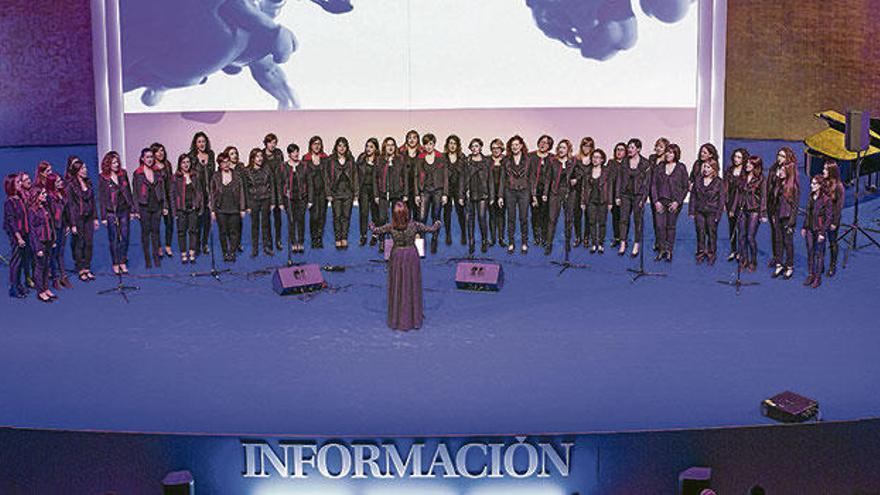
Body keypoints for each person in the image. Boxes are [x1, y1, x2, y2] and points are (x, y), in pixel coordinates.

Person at [369, 202, 441, 331]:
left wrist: (371, 225)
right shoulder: (414, 225)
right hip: (411, 256)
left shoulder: (390, 226)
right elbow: (431, 229)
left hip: (397, 256)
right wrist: (437, 224)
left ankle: (397, 319)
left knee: (398, 286)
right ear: (407, 212)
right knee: (411, 285)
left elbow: (376, 231)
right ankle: (413, 319)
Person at [98, 151, 135, 274]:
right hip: (111, 212)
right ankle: (115, 262)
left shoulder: (123, 174)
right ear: (108, 163)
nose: (116, 164)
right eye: (114, 162)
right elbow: (102, 198)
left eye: (117, 162)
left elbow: (128, 192)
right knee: (114, 238)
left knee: (125, 237)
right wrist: (103, 216)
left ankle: (123, 261)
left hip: (124, 210)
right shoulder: (103, 177)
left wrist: (133, 209)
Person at [651, 143, 689, 261]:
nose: (668, 154)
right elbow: (653, 185)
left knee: (670, 227)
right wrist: (656, 201)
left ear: (676, 154)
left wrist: (677, 202)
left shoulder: (681, 167)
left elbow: (685, 186)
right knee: (659, 226)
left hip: (674, 202)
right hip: (660, 201)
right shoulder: (659, 166)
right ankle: (662, 249)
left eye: (671, 152)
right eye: (667, 151)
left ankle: (669, 251)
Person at [132, 147, 168, 269]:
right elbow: (135, 193)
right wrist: (136, 210)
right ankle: (148, 259)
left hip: (156, 205)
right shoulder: (138, 173)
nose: (150, 159)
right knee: (145, 233)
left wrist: (165, 206)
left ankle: (156, 258)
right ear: (142, 159)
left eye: (151, 157)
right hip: (144, 207)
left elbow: (163, 191)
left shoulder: (158, 171)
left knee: (156, 232)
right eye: (147, 157)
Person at [65, 156, 98, 282]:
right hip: (78, 218)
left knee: (89, 243)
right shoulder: (70, 186)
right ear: (77, 171)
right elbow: (71, 207)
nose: (85, 170)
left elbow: (93, 201)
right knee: (80, 243)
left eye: (85, 168)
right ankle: (80, 269)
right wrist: (72, 224)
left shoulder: (88, 182)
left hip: (88, 217)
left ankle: (87, 267)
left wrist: (95, 217)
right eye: (83, 168)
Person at [616, 138, 651, 257]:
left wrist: (643, 199)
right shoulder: (624, 162)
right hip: (625, 195)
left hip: (638, 195)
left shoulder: (645, 163)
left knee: (638, 220)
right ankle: (622, 243)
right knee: (624, 219)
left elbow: (647, 184)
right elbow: (619, 180)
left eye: (632, 147)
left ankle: (636, 244)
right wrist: (617, 196)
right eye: (628, 147)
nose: (629, 150)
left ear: (638, 149)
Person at [542, 139, 578, 255]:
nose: (561, 150)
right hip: (555, 192)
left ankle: (568, 243)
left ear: (568, 150)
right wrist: (545, 193)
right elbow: (548, 178)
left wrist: (576, 179)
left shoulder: (573, 161)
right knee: (552, 219)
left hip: (569, 192)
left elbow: (579, 174)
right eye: (560, 147)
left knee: (569, 220)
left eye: (564, 148)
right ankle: (549, 245)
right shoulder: (553, 161)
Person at [373, 137, 408, 253]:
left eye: (392, 144)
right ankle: (382, 242)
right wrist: (376, 194)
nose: (390, 147)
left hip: (397, 194)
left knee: (396, 219)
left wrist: (405, 193)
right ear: (384, 147)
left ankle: (395, 243)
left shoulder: (400, 159)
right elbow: (375, 178)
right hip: (383, 194)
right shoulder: (379, 160)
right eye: (388, 145)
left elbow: (405, 177)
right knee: (382, 218)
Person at [415, 134, 448, 254]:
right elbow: (416, 176)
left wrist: (445, 194)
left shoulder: (441, 157)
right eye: (426, 144)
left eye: (430, 144)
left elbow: (445, 177)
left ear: (434, 144)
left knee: (436, 217)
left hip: (438, 191)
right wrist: (417, 194)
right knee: (422, 218)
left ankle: (434, 240)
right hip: (424, 191)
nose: (428, 146)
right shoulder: (420, 158)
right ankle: (420, 245)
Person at [211, 151, 247, 261]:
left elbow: (241, 192)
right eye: (223, 162)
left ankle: (232, 252)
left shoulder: (237, 176)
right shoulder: (215, 177)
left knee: (234, 232)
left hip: (234, 208)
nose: (226, 164)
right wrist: (212, 210)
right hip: (221, 209)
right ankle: (225, 253)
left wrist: (242, 208)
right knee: (223, 232)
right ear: (219, 164)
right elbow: (212, 194)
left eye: (227, 162)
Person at [689, 158, 725, 265]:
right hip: (699, 211)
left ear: (714, 169)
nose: (705, 169)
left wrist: (718, 215)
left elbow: (721, 200)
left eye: (708, 167)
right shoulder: (698, 180)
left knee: (711, 233)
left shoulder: (719, 182)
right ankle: (700, 253)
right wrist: (691, 211)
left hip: (712, 211)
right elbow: (693, 197)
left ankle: (711, 254)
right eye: (704, 166)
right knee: (700, 232)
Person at [499, 135, 531, 254]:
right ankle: (511, 243)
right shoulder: (506, 160)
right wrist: (500, 196)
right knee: (511, 218)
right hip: (510, 191)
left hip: (524, 191)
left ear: (521, 146)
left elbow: (531, 178)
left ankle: (524, 243)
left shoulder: (528, 159)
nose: (514, 147)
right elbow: (503, 179)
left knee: (523, 218)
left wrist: (533, 195)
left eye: (517, 145)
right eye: (512, 145)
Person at [325, 136, 358, 249]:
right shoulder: (330, 160)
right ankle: (338, 238)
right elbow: (327, 178)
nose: (342, 148)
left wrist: (356, 193)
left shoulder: (351, 160)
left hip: (348, 192)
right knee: (337, 216)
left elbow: (355, 176)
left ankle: (344, 238)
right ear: (336, 147)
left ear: (347, 147)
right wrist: (328, 193)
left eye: (344, 145)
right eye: (339, 145)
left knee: (346, 216)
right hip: (336, 192)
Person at [770, 157, 799, 279]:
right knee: (778, 241)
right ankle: (779, 264)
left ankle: (789, 266)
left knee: (788, 243)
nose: (780, 172)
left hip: (787, 217)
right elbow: (774, 198)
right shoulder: (778, 183)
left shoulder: (793, 187)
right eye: (780, 170)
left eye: (782, 170)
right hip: (778, 214)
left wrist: (792, 222)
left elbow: (795, 206)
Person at [462, 138, 493, 254]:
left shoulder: (486, 161)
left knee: (482, 217)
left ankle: (484, 241)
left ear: (481, 147)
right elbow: (462, 178)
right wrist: (462, 194)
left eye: (477, 146)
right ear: (470, 148)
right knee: (470, 219)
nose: (475, 148)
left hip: (483, 193)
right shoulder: (467, 161)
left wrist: (492, 196)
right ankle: (471, 242)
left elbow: (490, 180)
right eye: (473, 146)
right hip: (470, 192)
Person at [170, 154, 203, 263]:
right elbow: (172, 195)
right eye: (183, 162)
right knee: (181, 232)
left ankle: (192, 253)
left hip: (193, 208)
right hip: (181, 209)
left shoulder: (195, 176)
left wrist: (198, 205)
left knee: (193, 231)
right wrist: (174, 211)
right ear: (179, 164)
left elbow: (200, 192)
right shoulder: (175, 177)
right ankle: (184, 254)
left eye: (188, 162)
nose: (186, 164)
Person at [802, 175, 832, 288]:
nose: (811, 185)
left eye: (814, 183)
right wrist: (804, 227)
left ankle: (818, 278)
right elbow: (808, 213)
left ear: (820, 185)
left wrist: (822, 233)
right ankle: (811, 274)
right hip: (810, 227)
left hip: (819, 230)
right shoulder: (811, 196)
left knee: (819, 254)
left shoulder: (826, 199)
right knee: (810, 251)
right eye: (811, 183)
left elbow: (829, 218)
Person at [736, 156, 765, 272]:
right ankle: (744, 260)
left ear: (755, 166)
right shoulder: (742, 177)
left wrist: (763, 213)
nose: (747, 165)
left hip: (754, 210)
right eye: (747, 163)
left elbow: (763, 197)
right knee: (741, 236)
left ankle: (753, 261)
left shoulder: (761, 179)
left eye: (750, 163)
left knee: (750, 237)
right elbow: (738, 194)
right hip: (742, 209)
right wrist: (735, 208)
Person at [583, 148, 614, 253]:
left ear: (602, 159)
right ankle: (594, 244)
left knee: (602, 223)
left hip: (603, 200)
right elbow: (584, 187)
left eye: (597, 157)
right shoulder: (587, 171)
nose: (595, 159)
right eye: (593, 157)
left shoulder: (606, 171)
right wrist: (583, 201)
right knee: (592, 222)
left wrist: (610, 202)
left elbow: (609, 187)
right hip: (591, 200)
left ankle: (600, 244)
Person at [188, 131, 215, 254]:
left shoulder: (211, 154)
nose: (201, 144)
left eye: (203, 141)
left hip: (208, 190)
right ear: (195, 143)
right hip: (197, 192)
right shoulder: (191, 156)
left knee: (207, 220)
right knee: (197, 220)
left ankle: (205, 244)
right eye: (199, 141)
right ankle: (196, 245)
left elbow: (213, 173)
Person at [28, 187, 57, 302]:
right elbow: (32, 231)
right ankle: (40, 291)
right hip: (39, 242)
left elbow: (51, 224)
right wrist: (37, 247)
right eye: (43, 194)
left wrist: (53, 239)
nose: (45, 195)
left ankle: (46, 287)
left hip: (48, 240)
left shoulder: (44, 208)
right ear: (36, 195)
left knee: (47, 266)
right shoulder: (31, 211)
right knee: (39, 267)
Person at [244, 147, 274, 257]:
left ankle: (267, 247)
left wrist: (272, 201)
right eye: (257, 156)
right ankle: (255, 249)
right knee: (254, 225)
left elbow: (272, 184)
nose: (260, 158)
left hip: (266, 198)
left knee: (266, 224)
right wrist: (247, 205)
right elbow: (245, 189)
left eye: (261, 156)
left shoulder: (267, 168)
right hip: (253, 200)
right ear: (252, 158)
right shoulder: (246, 171)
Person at [281, 143, 310, 253]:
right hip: (289, 198)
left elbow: (309, 182)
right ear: (289, 154)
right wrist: (282, 198)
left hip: (302, 197)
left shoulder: (304, 165)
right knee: (291, 220)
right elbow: (280, 183)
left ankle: (301, 242)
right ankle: (293, 242)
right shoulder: (283, 166)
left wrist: (310, 199)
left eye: (297, 151)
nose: (296, 154)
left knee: (301, 220)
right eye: (293, 152)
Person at [45, 172, 73, 289]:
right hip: (53, 229)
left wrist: (68, 225)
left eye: (60, 180)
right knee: (53, 253)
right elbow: (50, 216)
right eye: (58, 182)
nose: (61, 182)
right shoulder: (50, 198)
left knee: (60, 253)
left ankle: (63, 276)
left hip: (62, 226)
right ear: (52, 184)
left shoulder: (63, 194)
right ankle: (55, 278)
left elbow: (66, 212)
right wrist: (51, 233)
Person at [3, 173, 28, 298]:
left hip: (24, 232)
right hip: (16, 234)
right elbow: (11, 222)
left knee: (22, 260)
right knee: (16, 261)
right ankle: (13, 287)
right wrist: (18, 237)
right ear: (11, 185)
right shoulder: (9, 202)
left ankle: (18, 284)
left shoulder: (19, 198)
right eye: (17, 182)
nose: (20, 184)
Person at [724, 148, 749, 261]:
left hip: (741, 203)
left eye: (739, 157)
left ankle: (741, 251)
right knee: (732, 227)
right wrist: (724, 202)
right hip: (730, 201)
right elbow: (725, 187)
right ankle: (733, 250)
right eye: (735, 156)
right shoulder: (729, 170)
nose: (736, 159)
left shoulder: (746, 172)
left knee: (741, 229)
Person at [151, 142, 175, 258]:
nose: (161, 153)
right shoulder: (151, 166)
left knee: (169, 223)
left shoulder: (167, 164)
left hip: (168, 198)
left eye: (162, 150)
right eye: (158, 151)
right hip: (155, 199)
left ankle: (168, 245)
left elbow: (170, 182)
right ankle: (158, 247)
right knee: (156, 225)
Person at [262, 133, 286, 252]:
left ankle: (278, 240)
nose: (272, 145)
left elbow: (282, 170)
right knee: (266, 218)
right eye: (270, 142)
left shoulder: (279, 153)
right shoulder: (260, 154)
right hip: (266, 190)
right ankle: (268, 243)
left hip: (278, 188)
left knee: (278, 218)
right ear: (266, 143)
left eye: (274, 142)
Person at [304, 136, 328, 249]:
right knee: (314, 216)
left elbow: (329, 176)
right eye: (314, 144)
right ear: (310, 145)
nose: (317, 146)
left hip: (323, 191)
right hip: (311, 192)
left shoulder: (325, 158)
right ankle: (314, 238)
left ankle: (319, 238)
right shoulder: (306, 158)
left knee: (322, 216)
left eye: (319, 143)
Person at [356, 138, 380, 247]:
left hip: (375, 190)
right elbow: (355, 175)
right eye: (367, 146)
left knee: (375, 213)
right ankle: (363, 236)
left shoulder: (379, 160)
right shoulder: (361, 159)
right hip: (363, 189)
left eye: (371, 147)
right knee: (364, 213)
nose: (368, 149)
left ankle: (375, 235)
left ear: (376, 148)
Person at [530, 135, 554, 248]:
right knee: (535, 214)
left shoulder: (553, 158)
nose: (543, 144)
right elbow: (528, 176)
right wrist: (533, 194)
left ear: (550, 146)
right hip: (534, 189)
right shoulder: (531, 156)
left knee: (546, 214)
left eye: (546, 143)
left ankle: (545, 237)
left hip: (548, 190)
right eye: (541, 142)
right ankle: (536, 237)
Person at [443, 135, 467, 246]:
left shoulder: (462, 157)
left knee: (460, 212)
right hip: (446, 188)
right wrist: (444, 192)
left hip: (459, 188)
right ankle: (448, 235)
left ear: (457, 145)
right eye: (450, 143)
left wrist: (462, 194)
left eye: (454, 143)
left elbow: (464, 177)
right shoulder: (443, 158)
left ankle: (463, 234)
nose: (452, 145)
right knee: (447, 212)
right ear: (447, 145)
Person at [822, 160, 845, 277]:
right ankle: (820, 264)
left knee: (832, 242)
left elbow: (839, 207)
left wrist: (834, 222)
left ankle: (832, 265)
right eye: (824, 168)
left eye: (826, 169)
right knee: (821, 241)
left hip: (832, 220)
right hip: (822, 217)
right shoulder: (823, 183)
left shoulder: (839, 187)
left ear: (832, 171)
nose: (823, 171)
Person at [574, 137, 595, 247]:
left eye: (589, 146)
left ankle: (587, 237)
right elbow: (571, 174)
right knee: (577, 215)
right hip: (576, 191)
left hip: (590, 191)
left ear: (592, 147)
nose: (586, 148)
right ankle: (578, 237)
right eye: (584, 145)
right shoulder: (575, 159)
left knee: (589, 215)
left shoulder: (594, 160)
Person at [488, 138, 506, 248]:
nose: (495, 150)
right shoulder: (487, 160)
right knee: (492, 215)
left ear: (501, 148)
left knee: (501, 215)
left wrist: (501, 195)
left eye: (497, 148)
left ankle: (501, 238)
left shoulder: (507, 160)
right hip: (490, 191)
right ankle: (493, 239)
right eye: (493, 148)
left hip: (503, 191)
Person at [607, 141, 626, 247]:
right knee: (615, 217)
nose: (619, 152)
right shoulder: (611, 163)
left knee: (624, 218)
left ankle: (624, 239)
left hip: (625, 195)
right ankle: (617, 238)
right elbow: (609, 181)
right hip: (613, 193)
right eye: (617, 150)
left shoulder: (628, 163)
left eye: (622, 150)